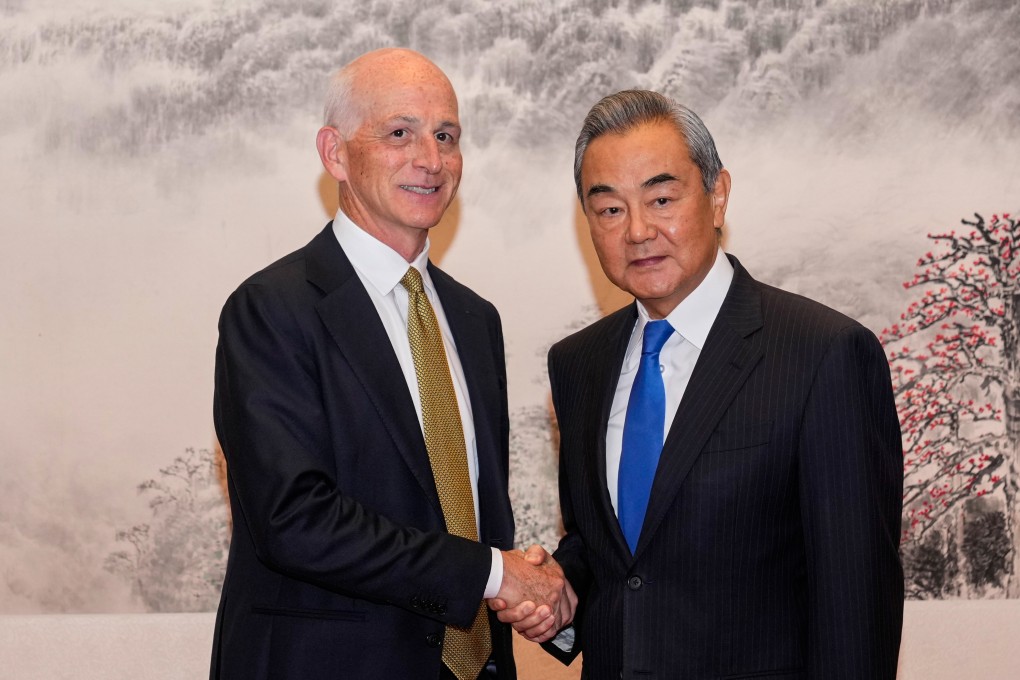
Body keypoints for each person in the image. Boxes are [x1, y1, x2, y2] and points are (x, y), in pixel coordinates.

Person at [494, 90, 904, 679]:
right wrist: (560, 589)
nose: (637, 231)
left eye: (661, 198)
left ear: (717, 195)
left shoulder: (823, 354)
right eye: (609, 209)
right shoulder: (577, 364)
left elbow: (855, 604)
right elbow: (616, 551)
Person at [209, 48, 568, 680]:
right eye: (399, 133)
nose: (430, 160)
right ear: (335, 153)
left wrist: (537, 596)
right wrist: (492, 573)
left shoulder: (475, 320)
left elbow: (473, 512)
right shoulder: (272, 309)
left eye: (446, 136)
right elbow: (294, 519)